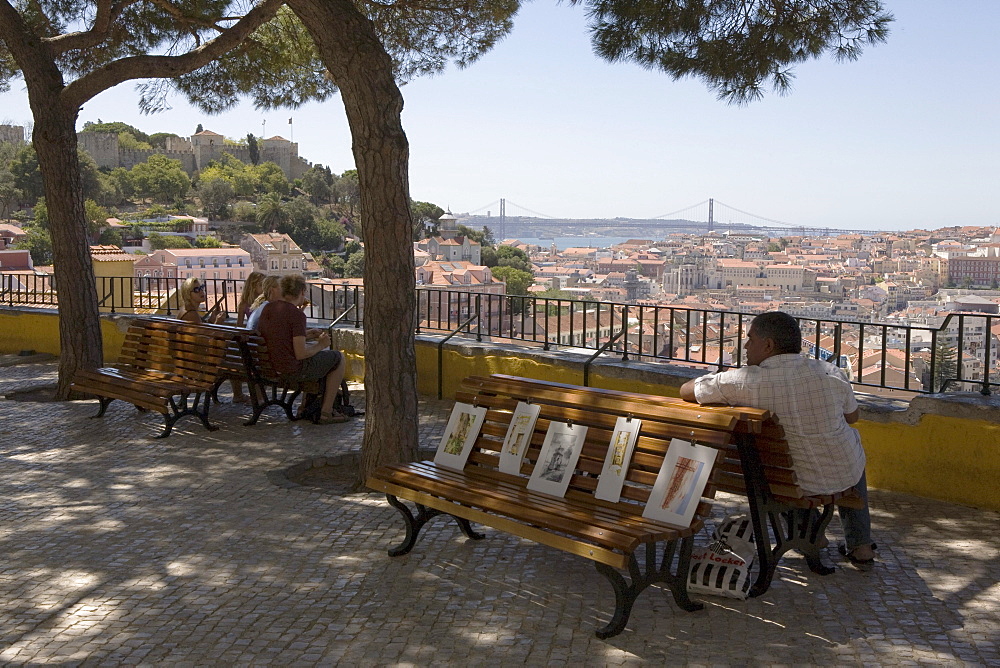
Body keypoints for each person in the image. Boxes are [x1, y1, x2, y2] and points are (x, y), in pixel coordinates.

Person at [679, 311, 877, 570]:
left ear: (769, 345)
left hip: (786, 481)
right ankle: (861, 546)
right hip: (843, 473)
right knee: (850, 453)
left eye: (750, 339)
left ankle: (812, 536)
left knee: (783, 472)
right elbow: (853, 417)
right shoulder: (831, 372)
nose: (746, 346)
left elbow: (686, 390)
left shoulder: (744, 381)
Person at [257, 274, 348, 424]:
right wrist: (321, 345)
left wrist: (306, 335)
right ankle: (326, 412)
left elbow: (279, 337)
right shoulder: (296, 314)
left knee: (319, 357)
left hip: (268, 366)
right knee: (338, 358)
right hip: (290, 370)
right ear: (302, 292)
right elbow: (300, 354)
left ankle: (306, 407)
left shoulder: (268, 308)